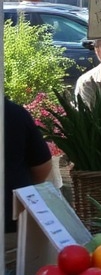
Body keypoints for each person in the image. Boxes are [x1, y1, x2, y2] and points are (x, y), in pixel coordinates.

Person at [4, 98, 54, 244]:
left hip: (11, 228)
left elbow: (42, 164)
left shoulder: (13, 112)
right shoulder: (14, 112)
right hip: (12, 224)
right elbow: (42, 166)